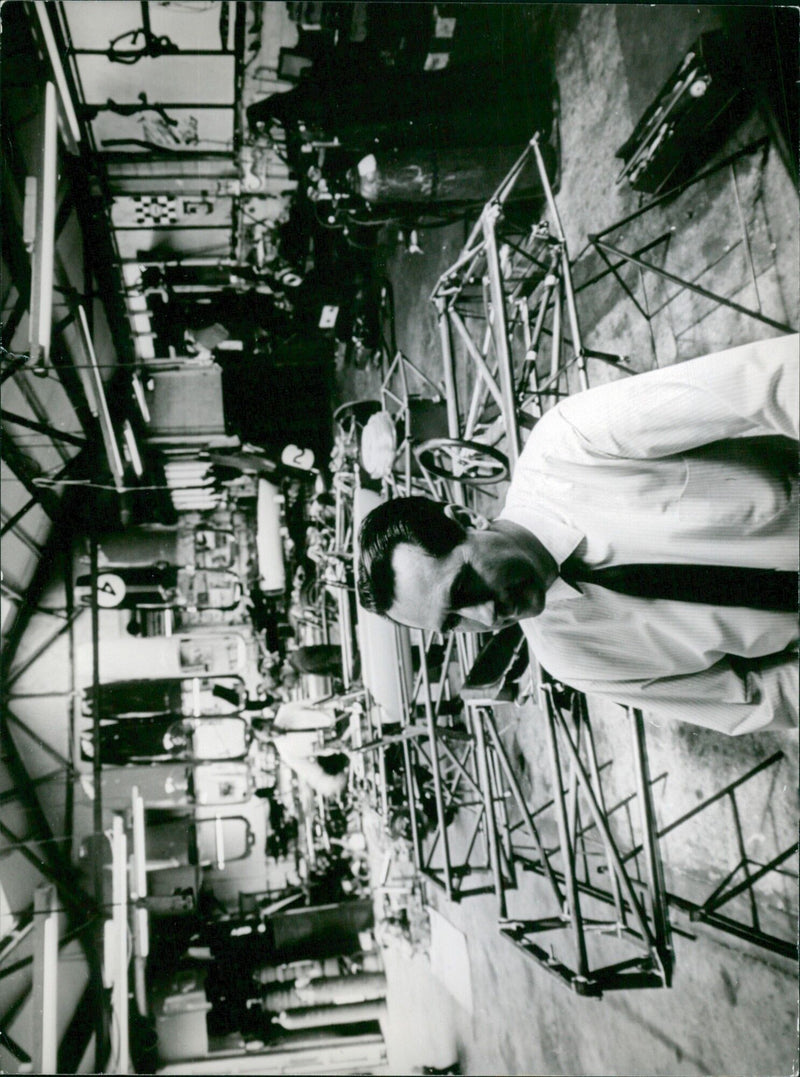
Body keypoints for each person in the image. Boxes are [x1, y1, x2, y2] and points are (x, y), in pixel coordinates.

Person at [357, 334, 799, 735]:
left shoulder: (571, 443)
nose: (488, 617)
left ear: (465, 518)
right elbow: (755, 700)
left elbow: (767, 380)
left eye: (465, 587)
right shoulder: (572, 659)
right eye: (454, 623)